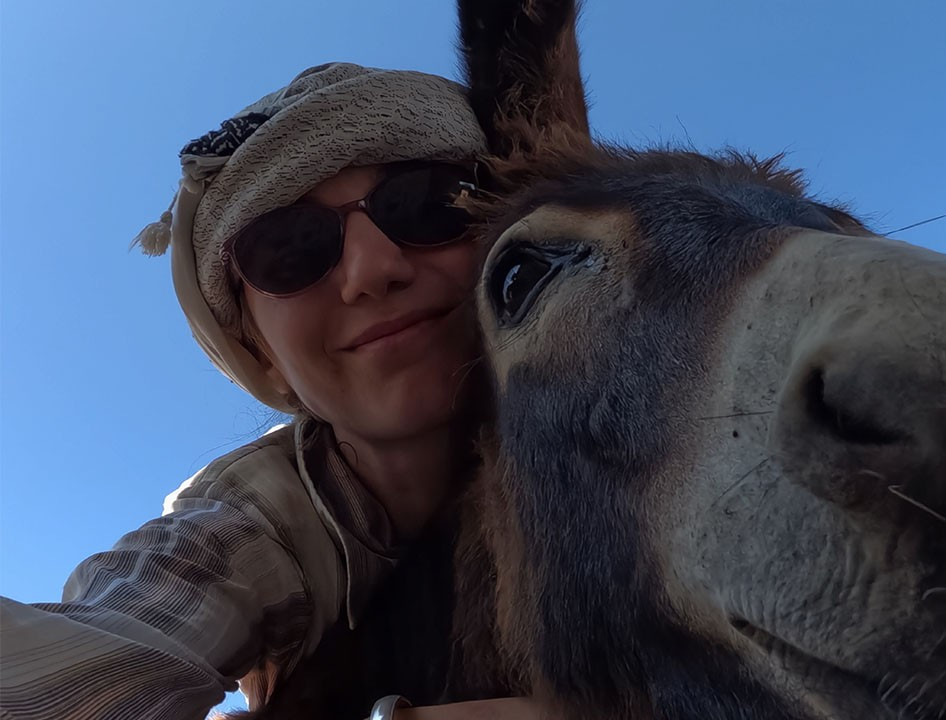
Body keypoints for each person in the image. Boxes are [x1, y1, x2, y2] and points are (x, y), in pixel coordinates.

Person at [0, 62, 542, 720]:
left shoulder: (665, 406)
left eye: (430, 204)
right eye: (289, 249)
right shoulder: (258, 529)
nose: (372, 269)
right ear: (261, 355)